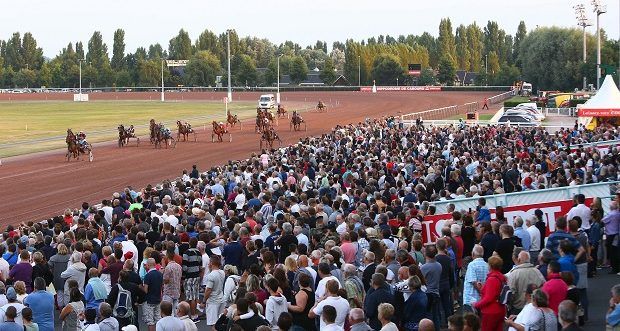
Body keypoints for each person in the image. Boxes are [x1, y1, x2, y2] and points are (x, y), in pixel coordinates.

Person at [473, 256, 506, 331]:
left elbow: (488, 298)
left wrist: (476, 305)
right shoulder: (501, 277)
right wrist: (483, 288)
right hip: (500, 309)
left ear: (490, 266)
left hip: (491, 312)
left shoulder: (492, 279)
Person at [463, 245, 488, 312]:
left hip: (471, 298)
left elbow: (473, 281)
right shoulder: (487, 265)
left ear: (473, 254)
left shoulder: (472, 265)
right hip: (482, 299)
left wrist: (480, 291)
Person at [204, 255, 225, 330]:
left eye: (209, 262)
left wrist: (204, 301)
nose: (208, 264)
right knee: (219, 323)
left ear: (212, 263)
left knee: (213, 325)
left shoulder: (211, 275)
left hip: (213, 302)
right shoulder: (222, 272)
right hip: (220, 299)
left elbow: (208, 290)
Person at [142, 258, 163, 331]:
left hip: (150, 300)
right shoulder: (160, 274)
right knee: (158, 319)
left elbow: (145, 290)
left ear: (148, 265)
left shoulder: (148, 275)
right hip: (158, 299)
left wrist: (141, 287)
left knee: (150, 321)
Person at [162, 248, 182, 315]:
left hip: (169, 292)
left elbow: (165, 280)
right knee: (176, 312)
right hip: (176, 290)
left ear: (167, 256)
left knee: (167, 312)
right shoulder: (179, 266)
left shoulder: (168, 267)